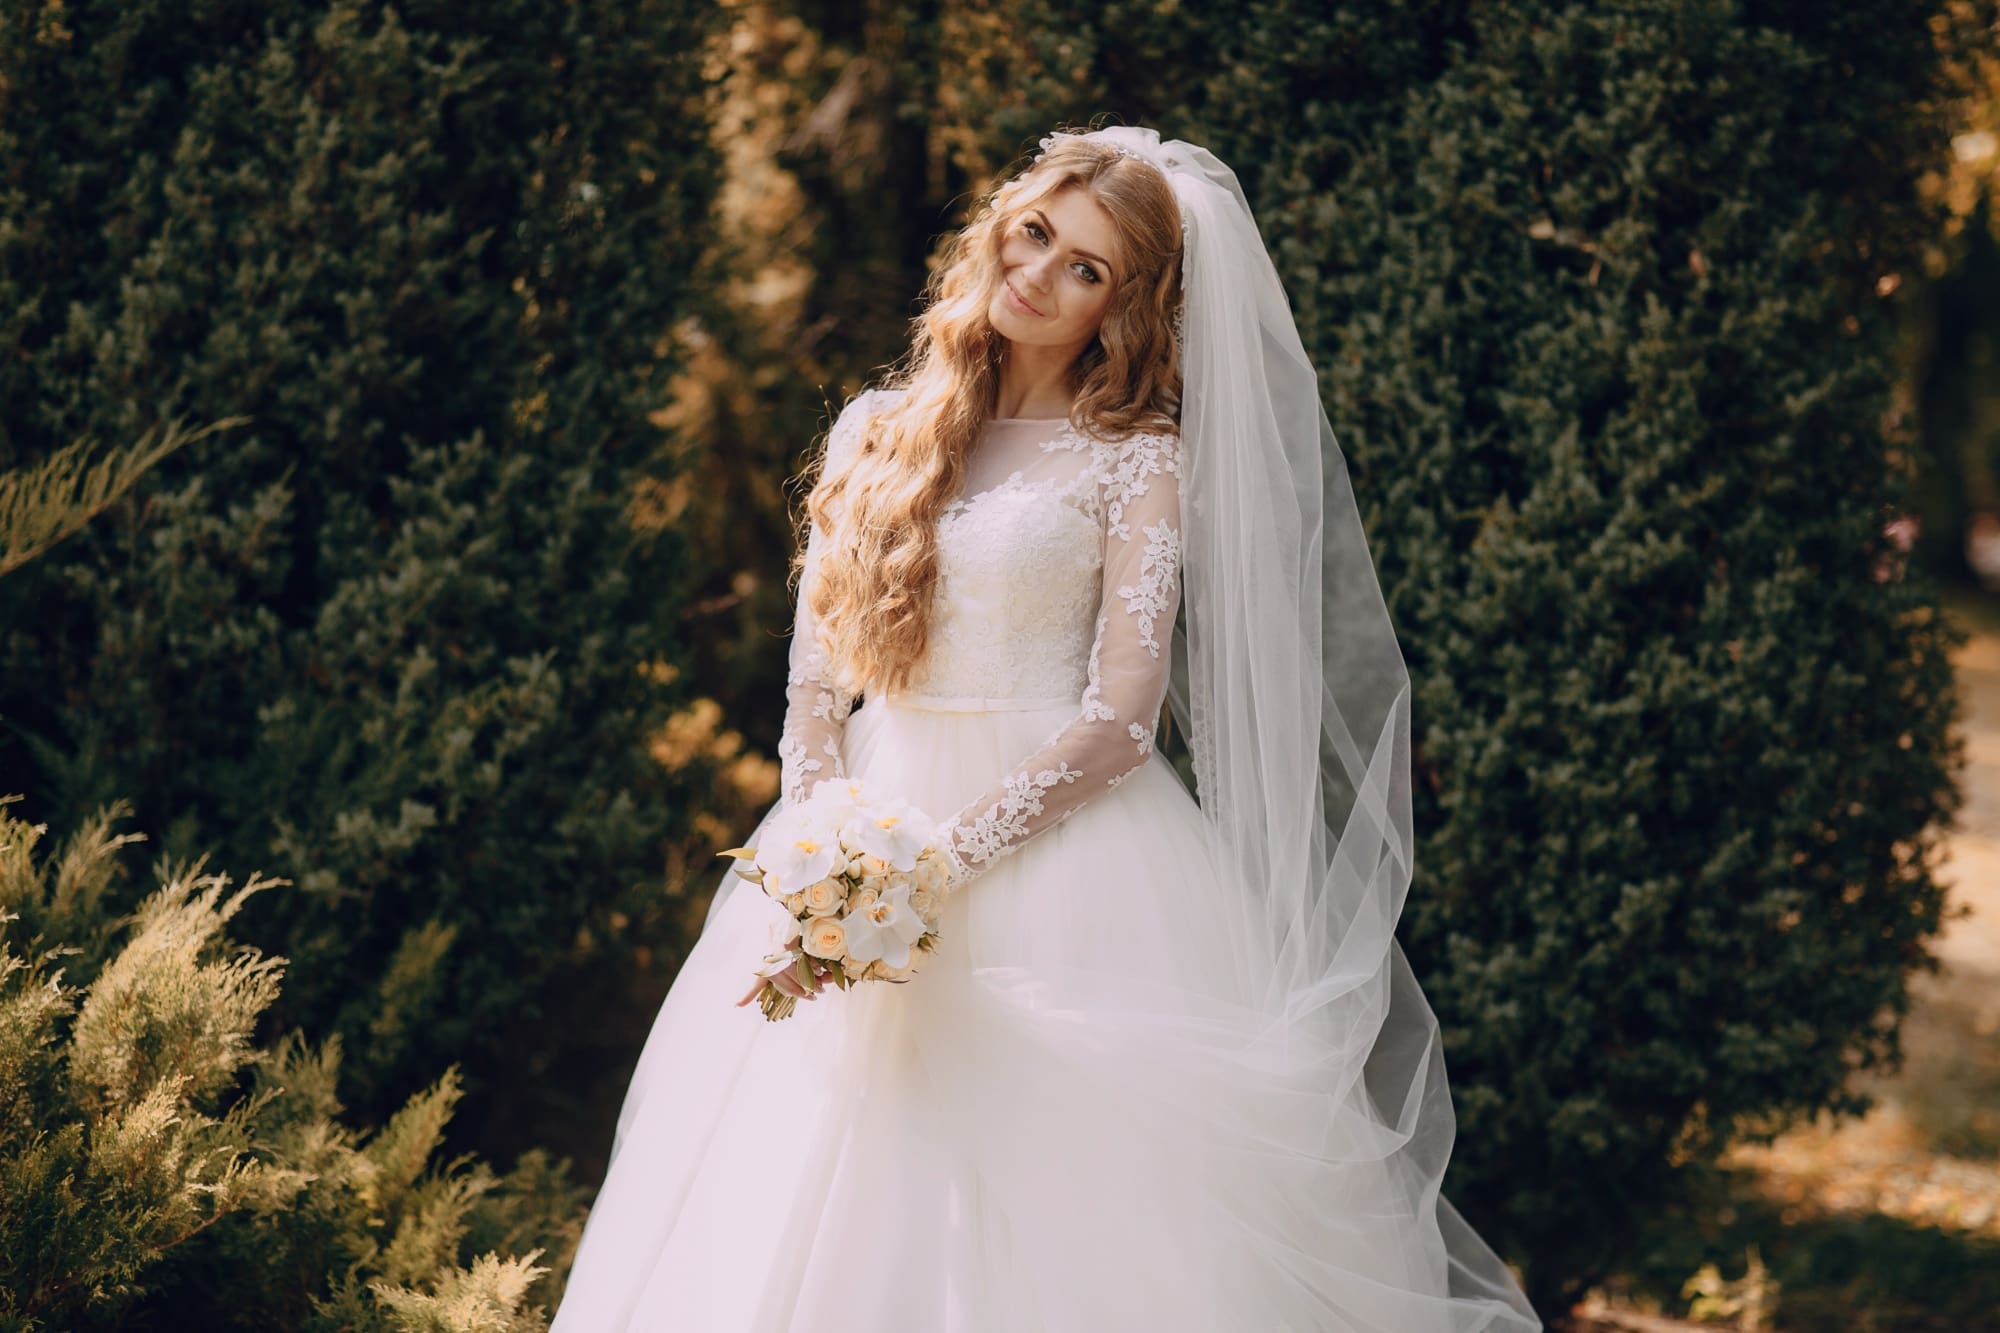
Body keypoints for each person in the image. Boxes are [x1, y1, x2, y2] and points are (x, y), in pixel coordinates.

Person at [549, 125, 1543, 1333]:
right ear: (999, 227)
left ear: (1125, 309)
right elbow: (815, 683)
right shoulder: (876, 425)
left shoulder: (1133, 460)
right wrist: (825, 838)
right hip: (856, 824)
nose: (1040, 274)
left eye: (1087, 269)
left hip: (1062, 858)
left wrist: (931, 864)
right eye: (1037, 235)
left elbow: (1120, 719)